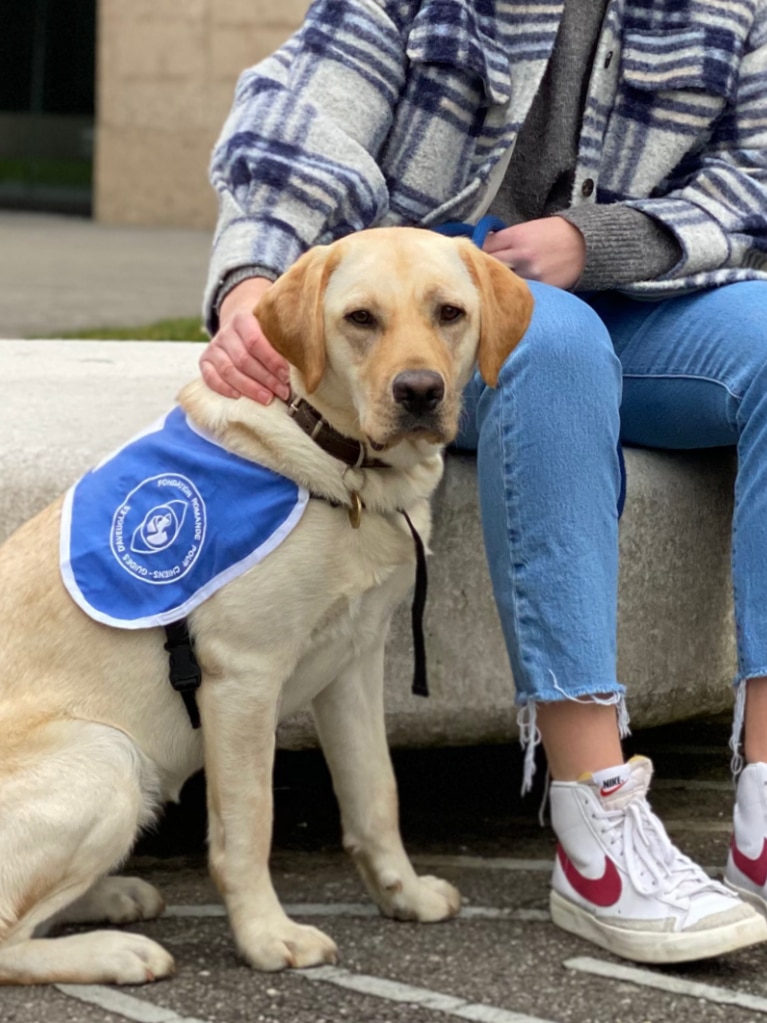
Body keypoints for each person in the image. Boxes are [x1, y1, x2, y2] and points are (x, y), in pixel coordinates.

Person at [198, 0, 767, 965]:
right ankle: (596, 824)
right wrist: (254, 277)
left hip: (645, 295)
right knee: (553, 342)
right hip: (429, 329)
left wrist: (604, 241)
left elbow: (754, 175)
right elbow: (299, 116)